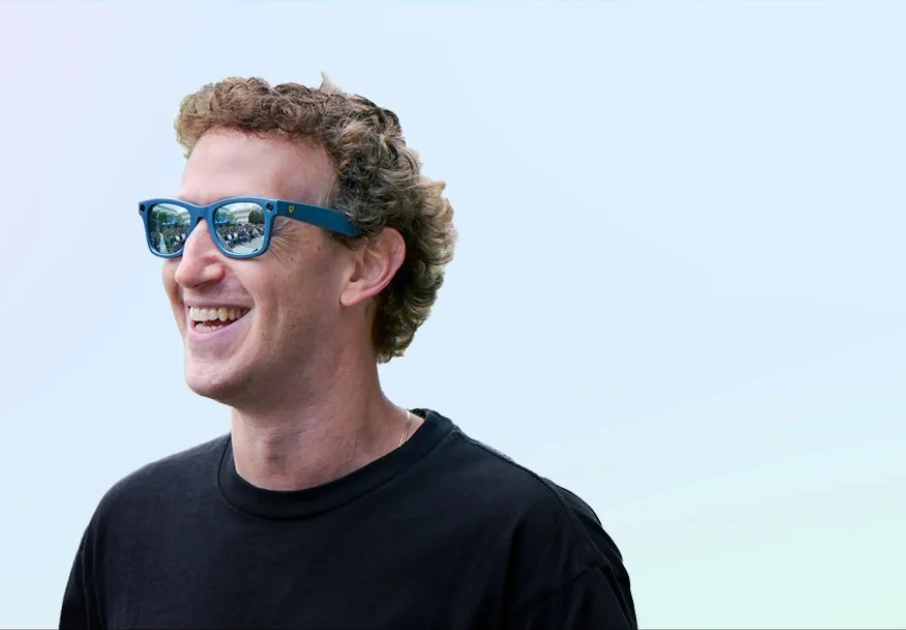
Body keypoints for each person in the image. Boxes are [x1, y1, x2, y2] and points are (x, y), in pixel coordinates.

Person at [60, 75, 638, 629]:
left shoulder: (524, 544)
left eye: (242, 227)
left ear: (365, 266)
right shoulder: (130, 529)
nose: (189, 268)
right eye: (178, 225)